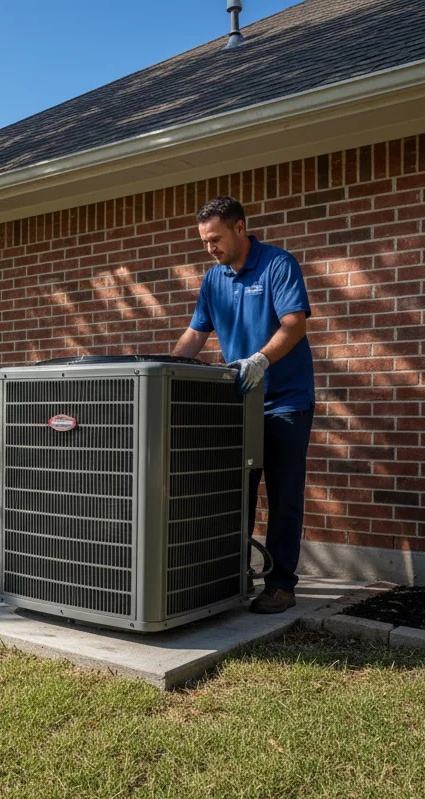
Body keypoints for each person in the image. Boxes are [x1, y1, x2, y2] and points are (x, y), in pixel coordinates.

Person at [171, 196, 315, 614]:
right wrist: (164, 369)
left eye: (216, 239)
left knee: (284, 496)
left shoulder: (277, 264)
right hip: (241, 404)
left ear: (239, 227)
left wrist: (260, 359)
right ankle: (231, 578)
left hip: (286, 403)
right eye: (204, 241)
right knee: (235, 496)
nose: (210, 248)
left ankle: (282, 586)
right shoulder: (213, 279)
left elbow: (295, 323)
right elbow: (196, 334)